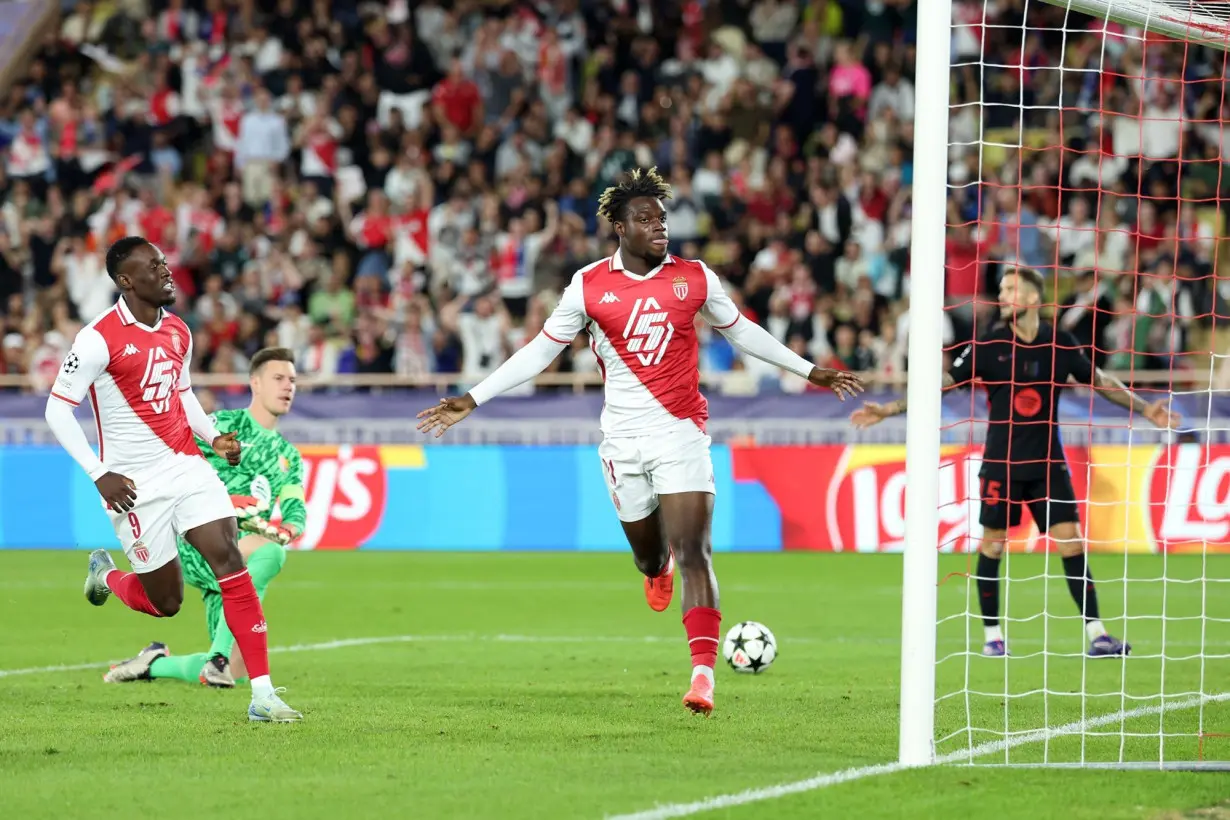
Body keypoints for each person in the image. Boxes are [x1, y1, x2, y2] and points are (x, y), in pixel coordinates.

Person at [417, 168, 863, 715]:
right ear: (618, 228)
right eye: (646, 220)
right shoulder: (588, 285)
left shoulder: (695, 278)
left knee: (696, 550)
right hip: (622, 442)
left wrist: (808, 370)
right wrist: (475, 396)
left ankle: (702, 677)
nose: (660, 228)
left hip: (681, 432)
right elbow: (540, 350)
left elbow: (743, 330)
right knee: (652, 556)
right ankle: (657, 571)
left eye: (663, 218)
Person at [850, 265, 1181, 657]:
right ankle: (992, 637)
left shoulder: (1058, 343)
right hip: (1001, 464)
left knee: (1071, 543)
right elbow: (942, 385)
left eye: (1011, 289)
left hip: (1047, 464)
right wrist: (890, 409)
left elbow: (1101, 381)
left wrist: (1145, 409)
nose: (1003, 295)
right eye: (1002, 288)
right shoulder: (988, 345)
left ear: (1032, 298)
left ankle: (1098, 635)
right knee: (993, 546)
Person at [44, 236, 301, 722]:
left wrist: (213, 435)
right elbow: (57, 410)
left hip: (186, 465)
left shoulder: (179, 331)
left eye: (165, 263)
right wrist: (100, 474)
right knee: (166, 602)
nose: (167, 273)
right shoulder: (96, 339)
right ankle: (106, 575)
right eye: (154, 268)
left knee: (230, 560)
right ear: (126, 281)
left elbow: (181, 393)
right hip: (134, 485)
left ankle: (263, 695)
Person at [104, 347, 305, 688]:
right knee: (271, 552)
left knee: (236, 676)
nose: (288, 386)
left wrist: (291, 526)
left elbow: (295, 506)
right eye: (278, 378)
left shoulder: (288, 455)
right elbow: (177, 458)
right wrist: (227, 500)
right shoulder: (225, 425)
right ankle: (218, 656)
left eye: (293, 380)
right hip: (198, 540)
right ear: (255, 383)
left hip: (236, 558)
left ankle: (152, 664)